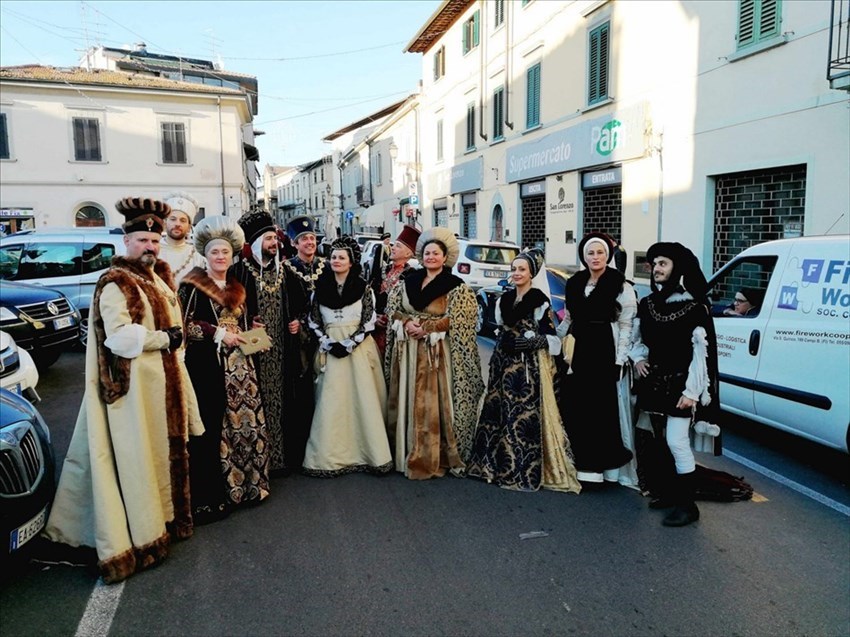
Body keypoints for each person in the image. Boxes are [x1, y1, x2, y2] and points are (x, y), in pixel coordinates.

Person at [43, 196, 203, 584]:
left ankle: (162, 520)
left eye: (155, 240)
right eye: (143, 240)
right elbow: (120, 338)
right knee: (134, 463)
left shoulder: (158, 279)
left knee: (157, 457)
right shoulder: (117, 282)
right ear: (126, 241)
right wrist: (166, 339)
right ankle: (139, 537)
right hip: (133, 395)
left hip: (162, 387)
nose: (150, 246)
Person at [179, 216, 271, 523]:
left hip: (242, 367)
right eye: (215, 252)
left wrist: (253, 330)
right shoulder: (192, 284)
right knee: (212, 427)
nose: (221, 257)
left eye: (226, 253)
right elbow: (184, 326)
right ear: (205, 255)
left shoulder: (238, 286)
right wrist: (219, 333)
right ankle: (214, 496)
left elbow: (244, 323)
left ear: (232, 256)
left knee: (243, 423)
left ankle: (248, 487)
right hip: (209, 366)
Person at [466, 250, 582, 493]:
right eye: (514, 269)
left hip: (526, 368)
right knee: (496, 413)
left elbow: (551, 338)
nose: (517, 273)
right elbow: (499, 329)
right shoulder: (504, 300)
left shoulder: (539, 301)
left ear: (531, 274)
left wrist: (529, 343)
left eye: (522, 269)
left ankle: (520, 469)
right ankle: (491, 467)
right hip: (502, 363)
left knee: (520, 414)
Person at [630, 242, 721, 527]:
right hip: (654, 382)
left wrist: (692, 392)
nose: (656, 269)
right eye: (655, 264)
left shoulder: (695, 307)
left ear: (676, 269)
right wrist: (638, 359)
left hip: (681, 385)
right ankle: (669, 493)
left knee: (676, 441)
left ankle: (687, 505)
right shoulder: (647, 304)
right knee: (658, 442)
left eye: (663, 264)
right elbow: (639, 339)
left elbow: (701, 353)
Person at [384, 227, 484, 479]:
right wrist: (407, 323)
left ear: (445, 257)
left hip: (436, 353)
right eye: (427, 252)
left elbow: (461, 319)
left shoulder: (456, 286)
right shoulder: (410, 281)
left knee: (432, 402)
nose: (430, 257)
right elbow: (393, 308)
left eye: (435, 253)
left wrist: (428, 327)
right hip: (408, 351)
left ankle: (432, 454)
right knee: (408, 399)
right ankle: (406, 451)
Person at [302, 236, 393, 476]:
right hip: (330, 347)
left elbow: (369, 319)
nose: (336, 261)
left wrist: (351, 343)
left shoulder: (364, 289)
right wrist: (327, 341)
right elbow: (312, 319)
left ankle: (368, 453)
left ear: (351, 262)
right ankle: (329, 456)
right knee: (332, 401)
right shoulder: (319, 288)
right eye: (333, 257)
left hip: (358, 350)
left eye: (341, 257)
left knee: (361, 399)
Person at [558, 233, 636, 484]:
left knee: (602, 410)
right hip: (579, 350)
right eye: (590, 253)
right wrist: (556, 343)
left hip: (604, 348)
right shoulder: (575, 283)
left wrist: (620, 360)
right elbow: (569, 320)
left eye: (600, 252)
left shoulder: (620, 284)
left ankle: (607, 467)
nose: (595, 257)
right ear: (584, 256)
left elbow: (626, 325)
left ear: (608, 256)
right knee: (577, 407)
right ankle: (582, 464)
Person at [229, 208, 286, 475]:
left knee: (282, 401)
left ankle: (281, 459)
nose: (273, 243)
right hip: (249, 354)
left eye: (275, 238)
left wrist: (296, 321)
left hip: (282, 352)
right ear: (254, 244)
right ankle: (257, 463)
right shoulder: (237, 273)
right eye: (268, 239)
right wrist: (246, 325)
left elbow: (302, 308)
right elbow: (225, 315)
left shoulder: (286, 273)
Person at [282, 215, 327, 472]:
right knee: (302, 390)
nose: (310, 242)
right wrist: (296, 321)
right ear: (295, 244)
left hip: (324, 334)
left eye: (312, 238)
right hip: (299, 340)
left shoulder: (326, 265)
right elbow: (285, 304)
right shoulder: (287, 269)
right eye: (304, 239)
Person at [370, 225, 421, 357]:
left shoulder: (412, 276)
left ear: (408, 253)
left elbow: (412, 308)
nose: (392, 248)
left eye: (398, 246)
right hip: (374, 328)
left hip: (397, 333)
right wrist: (374, 317)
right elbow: (368, 297)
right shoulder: (381, 270)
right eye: (394, 245)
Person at [159, 192, 206, 284]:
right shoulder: (153, 252)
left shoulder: (197, 256)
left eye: (183, 220)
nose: (177, 224)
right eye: (173, 219)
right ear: (165, 223)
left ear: (189, 226)